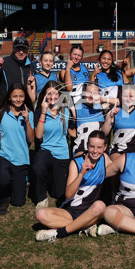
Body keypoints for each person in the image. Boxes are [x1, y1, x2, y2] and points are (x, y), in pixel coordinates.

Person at [34, 131, 112, 242]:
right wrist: (81, 174)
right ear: (87, 146)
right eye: (92, 146)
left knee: (100, 206)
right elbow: (68, 194)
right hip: (71, 211)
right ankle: (85, 225)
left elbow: (119, 169)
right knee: (40, 214)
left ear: (105, 147)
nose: (95, 151)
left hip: (91, 210)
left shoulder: (104, 158)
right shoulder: (76, 163)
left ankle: (58, 232)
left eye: (99, 147)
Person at [0, 83, 35, 215]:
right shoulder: (0, 113)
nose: (18, 99)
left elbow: (31, 139)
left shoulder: (30, 114)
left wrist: (27, 121)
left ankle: (12, 184)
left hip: (21, 158)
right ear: (9, 97)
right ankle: (2, 199)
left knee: (18, 202)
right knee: (4, 179)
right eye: (15, 96)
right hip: (3, 155)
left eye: (21, 96)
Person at [32, 81, 75, 209]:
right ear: (44, 95)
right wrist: (44, 111)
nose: (52, 97)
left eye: (55, 94)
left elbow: (73, 133)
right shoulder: (40, 112)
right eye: (49, 94)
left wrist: (73, 110)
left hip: (61, 153)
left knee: (59, 194)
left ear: (60, 95)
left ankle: (52, 180)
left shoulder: (66, 112)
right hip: (46, 150)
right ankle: (41, 198)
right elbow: (39, 136)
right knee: (38, 167)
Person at [0, 36, 34, 107]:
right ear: (13, 49)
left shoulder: (29, 66)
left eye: (23, 49)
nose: (21, 52)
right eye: (18, 49)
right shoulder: (4, 63)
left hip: (24, 110)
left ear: (27, 50)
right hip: (5, 110)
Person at [103, 84, 135, 160]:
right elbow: (104, 133)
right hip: (118, 151)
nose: (128, 99)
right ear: (120, 95)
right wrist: (110, 117)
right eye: (125, 96)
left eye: (131, 96)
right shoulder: (114, 111)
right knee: (123, 162)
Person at [71, 81, 106, 156]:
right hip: (82, 148)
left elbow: (118, 102)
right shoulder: (76, 108)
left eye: (95, 93)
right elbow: (70, 130)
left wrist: (102, 100)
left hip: (99, 151)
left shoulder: (103, 108)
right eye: (88, 92)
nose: (91, 96)